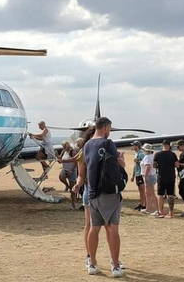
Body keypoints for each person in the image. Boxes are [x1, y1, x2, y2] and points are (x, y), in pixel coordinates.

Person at [80, 117, 125, 277]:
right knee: (112, 228)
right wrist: (122, 160)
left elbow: (85, 165)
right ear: (105, 127)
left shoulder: (86, 145)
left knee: (94, 227)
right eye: (110, 128)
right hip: (109, 192)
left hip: (92, 193)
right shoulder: (108, 143)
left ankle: (92, 263)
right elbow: (119, 164)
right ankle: (115, 265)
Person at [71, 127, 96, 269]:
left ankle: (113, 258)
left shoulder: (106, 147)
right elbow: (81, 175)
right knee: (90, 224)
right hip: (90, 190)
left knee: (109, 226)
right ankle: (89, 255)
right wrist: (77, 185)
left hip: (103, 191)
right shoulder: (83, 152)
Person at [153, 140, 179, 218]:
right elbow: (177, 165)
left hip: (161, 176)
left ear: (162, 145)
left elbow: (154, 165)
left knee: (160, 194)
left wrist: (160, 166)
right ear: (169, 145)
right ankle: (171, 212)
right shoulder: (173, 154)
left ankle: (161, 211)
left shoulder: (157, 154)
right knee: (170, 194)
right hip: (171, 176)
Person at [57, 141, 77, 209]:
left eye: (64, 146)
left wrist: (71, 170)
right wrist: (57, 157)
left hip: (71, 170)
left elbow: (75, 161)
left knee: (72, 188)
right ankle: (67, 185)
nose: (63, 147)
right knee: (61, 177)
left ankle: (73, 204)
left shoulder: (72, 151)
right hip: (65, 169)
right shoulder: (63, 151)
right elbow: (60, 158)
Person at [140, 143, 158, 215]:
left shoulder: (147, 157)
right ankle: (148, 209)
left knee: (151, 194)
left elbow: (148, 167)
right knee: (147, 193)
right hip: (152, 175)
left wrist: (145, 176)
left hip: (149, 176)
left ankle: (158, 209)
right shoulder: (152, 156)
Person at [131, 140, 146, 210]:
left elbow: (145, 163)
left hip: (141, 174)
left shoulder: (141, 154)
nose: (132, 146)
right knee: (140, 190)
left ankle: (145, 204)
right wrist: (133, 176)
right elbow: (135, 165)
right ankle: (141, 203)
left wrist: (138, 161)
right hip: (137, 174)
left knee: (142, 190)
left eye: (134, 145)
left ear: (137, 146)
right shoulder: (136, 154)